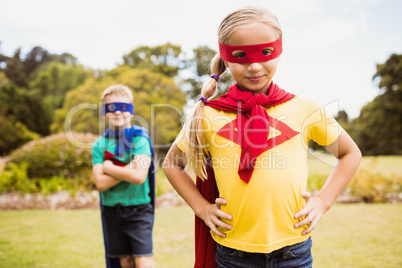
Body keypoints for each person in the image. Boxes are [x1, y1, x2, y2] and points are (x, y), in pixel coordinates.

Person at [162, 6, 361, 268]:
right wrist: (202, 208)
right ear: (226, 58)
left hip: (294, 250)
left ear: (279, 50)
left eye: (265, 53)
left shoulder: (304, 108)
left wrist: (322, 202)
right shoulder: (207, 115)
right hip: (234, 254)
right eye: (241, 56)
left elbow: (349, 153)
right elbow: (171, 164)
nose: (255, 66)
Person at [92, 84, 155, 268]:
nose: (118, 112)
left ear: (131, 111)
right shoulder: (99, 144)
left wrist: (108, 167)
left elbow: (139, 177)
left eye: (124, 107)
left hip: (139, 210)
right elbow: (100, 183)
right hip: (112, 211)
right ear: (104, 113)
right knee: (124, 262)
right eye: (111, 108)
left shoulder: (140, 139)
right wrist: (130, 168)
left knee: (143, 260)